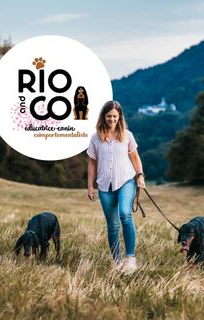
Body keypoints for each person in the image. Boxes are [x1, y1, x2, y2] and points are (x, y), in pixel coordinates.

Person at [87, 100, 145, 272]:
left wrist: (140, 175)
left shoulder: (127, 135)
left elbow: (134, 157)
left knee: (125, 214)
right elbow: (92, 164)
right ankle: (117, 262)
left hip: (126, 180)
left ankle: (131, 258)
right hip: (105, 185)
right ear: (103, 117)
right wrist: (90, 186)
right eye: (108, 116)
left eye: (114, 116)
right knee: (112, 225)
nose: (111, 119)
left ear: (119, 117)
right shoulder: (95, 138)